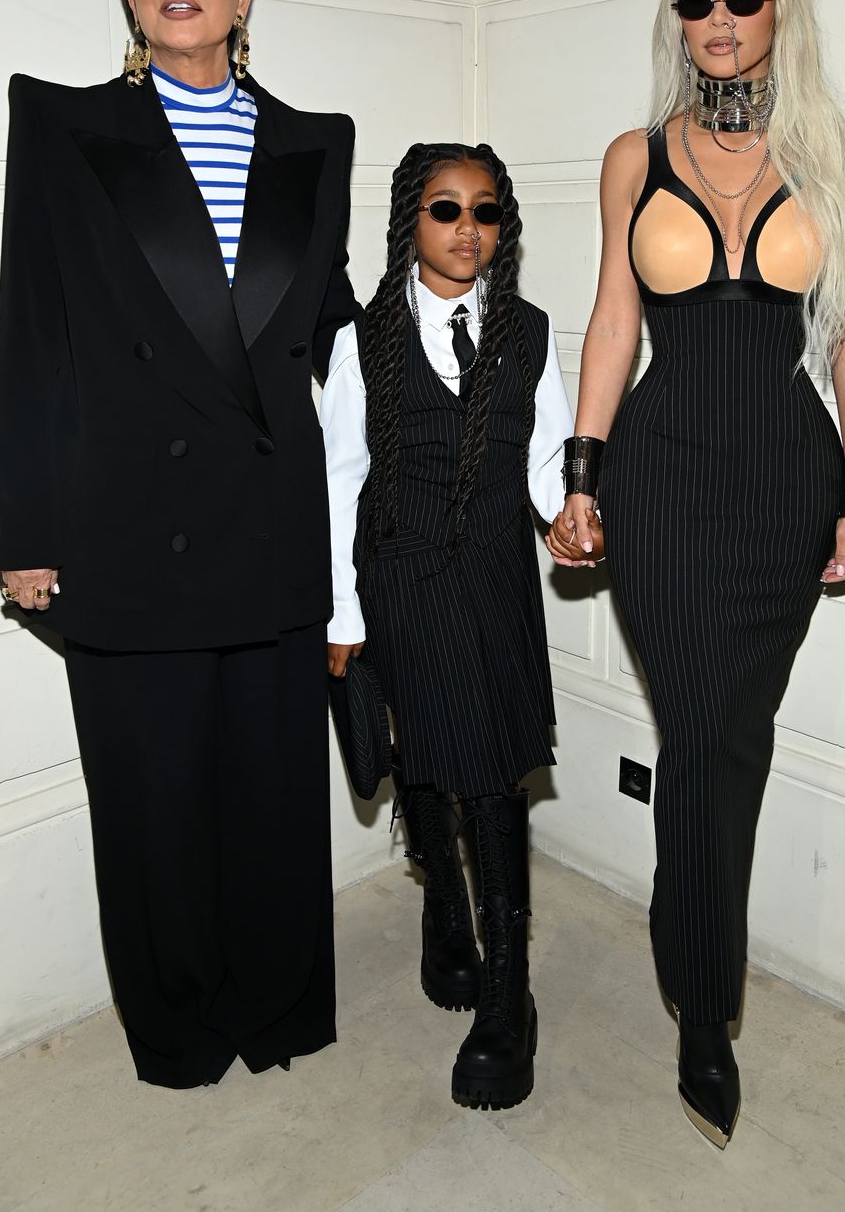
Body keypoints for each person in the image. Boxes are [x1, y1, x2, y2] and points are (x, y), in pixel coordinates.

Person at [0, 0, 359, 1088]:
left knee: (270, 797)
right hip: (129, 528)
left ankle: (277, 1008)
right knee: (153, 809)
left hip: (269, 522)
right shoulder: (65, 126)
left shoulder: (314, 144)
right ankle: (184, 1030)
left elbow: (328, 328)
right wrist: (26, 529)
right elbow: (34, 330)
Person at [546, 0, 845, 1147]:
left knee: (731, 738)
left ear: (779, 8)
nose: (719, 18)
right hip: (662, 480)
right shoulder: (633, 158)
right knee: (696, 731)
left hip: (787, 483)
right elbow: (610, 323)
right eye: (695, 0)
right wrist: (579, 478)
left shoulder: (843, 160)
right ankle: (703, 1001)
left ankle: (691, 952)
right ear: (678, 22)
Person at [321, 142, 573, 1108]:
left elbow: (546, 459)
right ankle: (445, 918)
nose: (469, 228)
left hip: (497, 580)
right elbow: (339, 482)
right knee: (422, 752)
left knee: (495, 770)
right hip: (400, 578)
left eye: (487, 211)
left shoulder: (528, 332)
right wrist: (341, 614)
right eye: (446, 208)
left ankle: (509, 995)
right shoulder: (364, 341)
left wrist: (572, 515)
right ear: (409, 221)